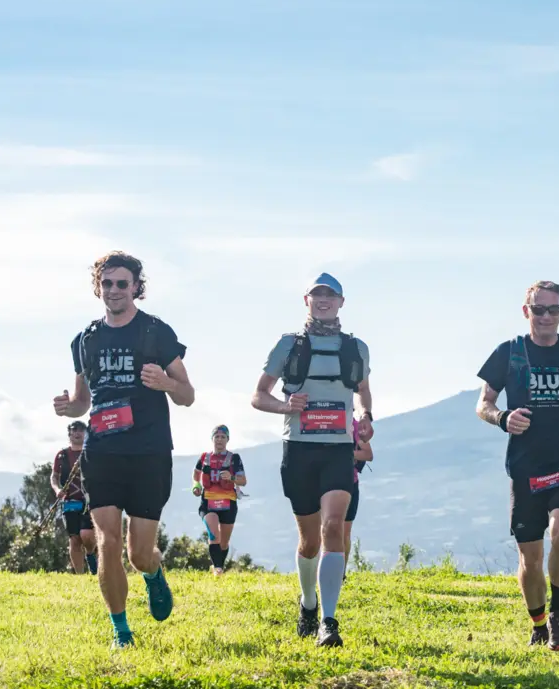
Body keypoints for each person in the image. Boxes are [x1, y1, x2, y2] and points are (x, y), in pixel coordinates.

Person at [53, 251, 195, 649]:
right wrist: (70, 407)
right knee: (107, 541)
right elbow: (84, 400)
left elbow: (188, 395)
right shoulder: (85, 339)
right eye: (107, 283)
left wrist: (166, 383)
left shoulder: (156, 332)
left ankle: (153, 573)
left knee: (138, 553)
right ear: (98, 286)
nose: (113, 290)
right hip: (102, 452)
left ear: (136, 287)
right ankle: (121, 630)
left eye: (122, 283)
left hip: (149, 452)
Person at [475, 280, 559, 651]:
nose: (546, 316)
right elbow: (483, 402)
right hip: (524, 465)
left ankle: (558, 614)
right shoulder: (508, 352)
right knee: (530, 559)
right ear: (526, 312)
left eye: (553, 309)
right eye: (539, 309)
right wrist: (502, 418)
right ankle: (537, 622)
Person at [251, 272, 374, 648]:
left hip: (338, 450)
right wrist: (286, 405)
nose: (323, 301)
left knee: (333, 526)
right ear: (307, 300)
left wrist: (365, 417)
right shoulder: (288, 344)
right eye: (317, 295)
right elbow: (258, 396)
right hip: (299, 450)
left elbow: (363, 393)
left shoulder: (356, 347)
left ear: (341, 302)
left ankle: (329, 621)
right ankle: (308, 603)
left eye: (330, 295)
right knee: (308, 542)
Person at [191, 424, 246, 576]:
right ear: (212, 439)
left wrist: (232, 478)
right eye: (217, 436)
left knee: (224, 542)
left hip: (228, 503)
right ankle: (218, 569)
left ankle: (219, 566)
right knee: (213, 534)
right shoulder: (204, 457)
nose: (219, 440)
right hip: (208, 502)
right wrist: (196, 486)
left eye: (223, 437)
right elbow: (196, 475)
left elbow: (243, 481)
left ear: (228, 440)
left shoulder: (234, 458)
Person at [51, 421, 97, 575]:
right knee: (74, 538)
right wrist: (57, 490)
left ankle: (91, 554)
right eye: (74, 430)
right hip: (69, 501)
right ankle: (80, 575)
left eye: (81, 430)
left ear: (86, 434)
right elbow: (54, 476)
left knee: (87, 535)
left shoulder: (91, 452)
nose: (77, 433)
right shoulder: (62, 455)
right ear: (69, 434)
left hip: (89, 501)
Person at [342, 423, 374, 581]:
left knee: (345, 532)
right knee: (326, 529)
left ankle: (340, 573)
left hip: (350, 483)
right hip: (325, 483)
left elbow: (368, 454)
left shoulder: (354, 425)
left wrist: (343, 454)